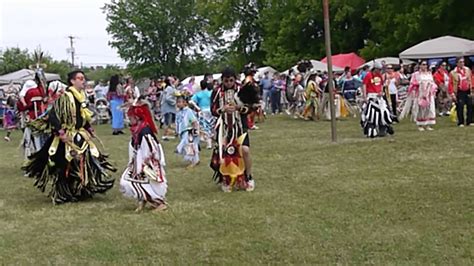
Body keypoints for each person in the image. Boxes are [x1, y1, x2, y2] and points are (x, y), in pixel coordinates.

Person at [23, 70, 116, 204]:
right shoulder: (65, 97)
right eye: (80, 78)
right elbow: (53, 115)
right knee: (64, 164)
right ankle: (63, 193)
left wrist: (88, 127)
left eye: (83, 78)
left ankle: (82, 189)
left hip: (80, 134)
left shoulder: (81, 96)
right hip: (67, 135)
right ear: (72, 81)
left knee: (86, 161)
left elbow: (82, 114)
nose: (83, 81)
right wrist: (61, 132)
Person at [210, 66, 259, 192]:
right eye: (226, 81)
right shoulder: (217, 92)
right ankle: (227, 179)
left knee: (245, 150)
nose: (229, 83)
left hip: (240, 125)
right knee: (226, 153)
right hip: (224, 127)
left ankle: (248, 177)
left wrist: (238, 108)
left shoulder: (241, 89)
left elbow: (251, 108)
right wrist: (223, 109)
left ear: (235, 79)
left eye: (231, 80)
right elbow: (213, 110)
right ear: (222, 80)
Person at [120, 100, 167, 212]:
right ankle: (143, 200)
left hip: (147, 161)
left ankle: (159, 203)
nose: (129, 120)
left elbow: (152, 148)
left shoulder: (144, 130)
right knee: (137, 181)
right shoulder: (138, 129)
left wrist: (145, 163)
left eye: (130, 118)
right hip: (139, 161)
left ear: (137, 117)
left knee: (130, 181)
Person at [400, 61, 438, 131]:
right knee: (420, 108)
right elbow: (412, 84)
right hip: (420, 93)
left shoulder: (429, 74)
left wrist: (433, 89)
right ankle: (420, 124)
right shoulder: (416, 74)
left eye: (426, 65)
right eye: (423, 65)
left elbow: (433, 83)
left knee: (429, 108)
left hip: (429, 93)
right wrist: (419, 85)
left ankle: (428, 124)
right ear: (420, 66)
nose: (424, 66)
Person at [16, 79, 49, 159]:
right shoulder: (39, 91)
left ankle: (36, 156)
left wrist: (23, 102)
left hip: (31, 118)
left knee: (32, 139)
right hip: (42, 117)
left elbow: (22, 107)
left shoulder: (27, 93)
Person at [361, 63, 394, 138]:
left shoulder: (379, 76)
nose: (379, 71)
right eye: (378, 69)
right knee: (371, 114)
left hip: (379, 97)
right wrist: (365, 96)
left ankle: (383, 128)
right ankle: (371, 129)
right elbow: (364, 85)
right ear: (375, 69)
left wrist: (381, 92)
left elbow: (381, 85)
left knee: (383, 113)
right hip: (371, 96)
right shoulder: (368, 75)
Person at [176, 95, 200, 168]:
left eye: (180, 102)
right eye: (177, 102)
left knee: (189, 146)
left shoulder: (188, 111)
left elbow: (194, 121)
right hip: (183, 131)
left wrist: (196, 129)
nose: (178, 104)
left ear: (185, 103)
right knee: (190, 146)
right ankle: (196, 159)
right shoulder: (179, 112)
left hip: (189, 131)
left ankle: (193, 161)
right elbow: (178, 122)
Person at [191, 80, 215, 149]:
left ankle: (207, 142)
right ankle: (210, 142)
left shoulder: (198, 94)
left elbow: (191, 101)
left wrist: (197, 107)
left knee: (204, 127)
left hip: (202, 111)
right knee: (210, 126)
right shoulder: (210, 93)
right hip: (210, 111)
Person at [449, 58, 473, 127]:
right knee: (460, 106)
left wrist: (471, 89)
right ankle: (461, 122)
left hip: (468, 90)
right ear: (457, 63)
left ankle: (470, 121)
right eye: (460, 62)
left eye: (463, 62)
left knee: (470, 105)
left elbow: (470, 79)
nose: (462, 63)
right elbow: (450, 84)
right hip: (459, 91)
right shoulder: (453, 72)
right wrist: (452, 93)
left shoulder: (467, 70)